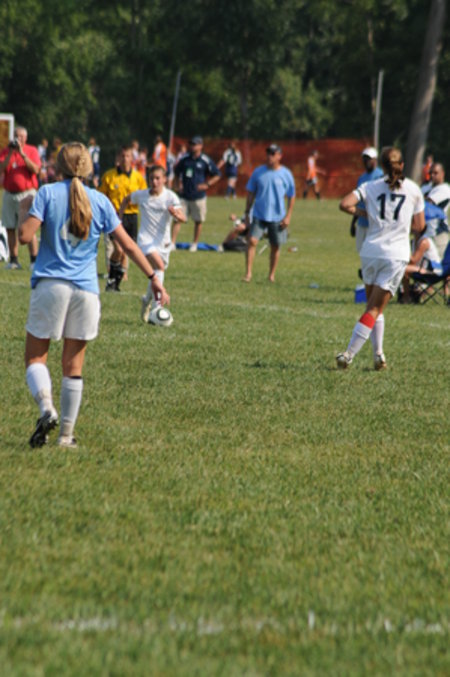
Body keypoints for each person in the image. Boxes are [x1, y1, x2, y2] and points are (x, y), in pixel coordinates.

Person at [18, 142, 169, 448]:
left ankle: (46, 408)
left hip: (51, 286)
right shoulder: (100, 200)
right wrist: (153, 278)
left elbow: (24, 236)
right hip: (86, 291)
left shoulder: (47, 193)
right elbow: (127, 245)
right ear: (88, 168)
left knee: (35, 357)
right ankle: (66, 436)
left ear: (58, 167)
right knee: (73, 368)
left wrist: (25, 209)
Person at [337, 147, 425, 370]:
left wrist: (363, 213)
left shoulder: (370, 186)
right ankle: (348, 354)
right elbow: (420, 225)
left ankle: (378, 355)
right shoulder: (413, 189)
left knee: (374, 306)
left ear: (383, 166)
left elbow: (344, 204)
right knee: (374, 309)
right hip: (395, 255)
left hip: (371, 251)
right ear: (402, 165)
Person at [118, 164, 186, 322]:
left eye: (157, 178)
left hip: (163, 243)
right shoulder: (142, 195)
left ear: (164, 179)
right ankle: (157, 306)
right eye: (151, 178)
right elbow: (126, 200)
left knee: (157, 272)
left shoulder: (170, 197)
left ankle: (146, 300)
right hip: (145, 241)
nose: (154, 182)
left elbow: (183, 218)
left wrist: (176, 215)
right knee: (159, 267)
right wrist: (119, 219)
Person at [243, 144, 296, 283]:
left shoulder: (286, 174)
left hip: (277, 216)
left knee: (275, 245)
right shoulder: (258, 172)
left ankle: (271, 275)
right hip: (259, 214)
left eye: (273, 154)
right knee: (252, 241)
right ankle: (248, 274)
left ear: (280, 156)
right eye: (268, 153)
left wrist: (288, 216)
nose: (269, 156)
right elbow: (251, 192)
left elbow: (291, 196)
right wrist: (247, 212)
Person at [98, 145, 147, 290]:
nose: (125, 159)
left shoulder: (138, 177)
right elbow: (101, 196)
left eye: (128, 156)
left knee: (127, 248)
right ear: (118, 158)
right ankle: (112, 274)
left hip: (131, 216)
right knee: (117, 248)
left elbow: (144, 196)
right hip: (113, 215)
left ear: (132, 158)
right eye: (123, 156)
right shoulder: (109, 176)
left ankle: (119, 276)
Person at [0, 125, 41, 269]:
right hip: (9, 194)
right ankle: (14, 260)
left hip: (26, 194)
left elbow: (36, 169)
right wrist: (11, 153)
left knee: (28, 227)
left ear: (26, 138)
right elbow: (1, 168)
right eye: (16, 135)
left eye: (21, 136)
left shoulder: (32, 150)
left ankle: (34, 260)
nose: (18, 138)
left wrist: (23, 154)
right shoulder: (6, 151)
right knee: (10, 227)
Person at [173, 136, 221, 251]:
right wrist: (177, 186)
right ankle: (172, 243)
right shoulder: (185, 159)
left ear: (201, 146)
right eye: (191, 144)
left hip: (198, 196)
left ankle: (194, 244)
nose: (192, 146)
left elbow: (217, 174)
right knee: (177, 219)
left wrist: (207, 184)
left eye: (195, 144)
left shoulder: (205, 160)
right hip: (184, 196)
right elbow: (176, 172)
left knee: (198, 221)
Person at [351, 147, 384, 256]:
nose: (366, 161)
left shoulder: (381, 176)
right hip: (362, 221)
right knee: (361, 252)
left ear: (375, 160)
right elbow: (358, 201)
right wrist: (353, 222)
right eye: (364, 159)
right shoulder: (362, 178)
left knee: (374, 253)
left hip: (375, 222)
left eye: (368, 159)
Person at [400, 223, 441, 303]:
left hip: (433, 271)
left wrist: (401, 253)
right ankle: (406, 294)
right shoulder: (414, 241)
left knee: (403, 269)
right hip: (423, 268)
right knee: (401, 267)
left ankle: (406, 297)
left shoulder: (424, 242)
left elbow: (413, 260)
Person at [421, 162, 450, 259]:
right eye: (430, 173)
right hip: (425, 232)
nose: (432, 175)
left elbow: (428, 203)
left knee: (438, 264)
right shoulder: (426, 188)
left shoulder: (445, 189)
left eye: (435, 173)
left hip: (438, 233)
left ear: (442, 173)